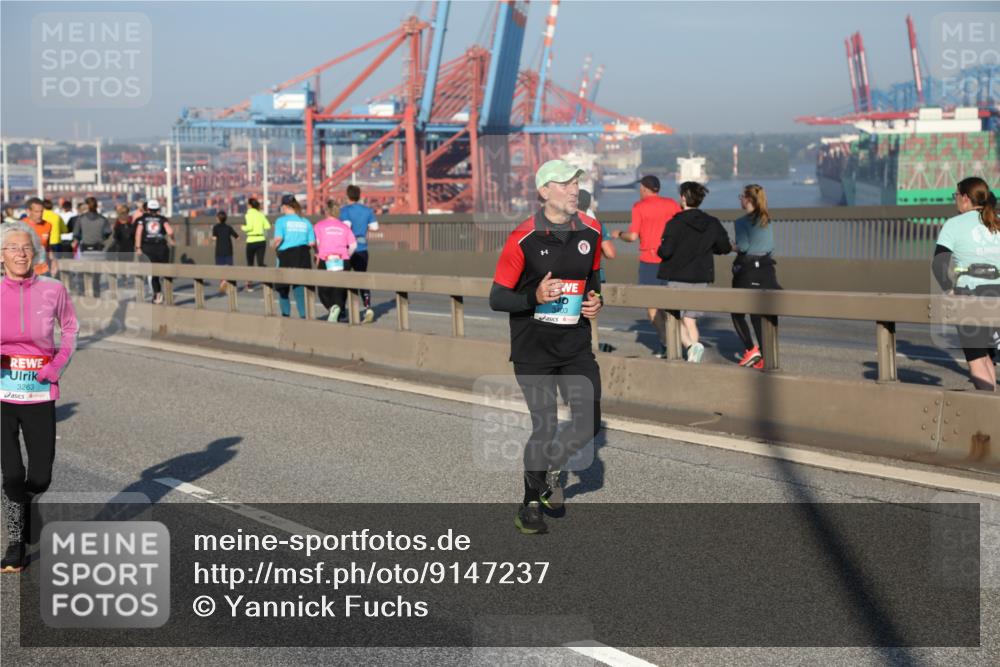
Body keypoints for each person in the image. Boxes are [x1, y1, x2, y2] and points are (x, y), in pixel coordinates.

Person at [490, 159, 603, 536]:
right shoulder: (522, 238)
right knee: (546, 425)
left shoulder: (592, 230)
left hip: (575, 343)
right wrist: (534, 296)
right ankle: (529, 506)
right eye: (566, 184)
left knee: (587, 422)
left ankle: (548, 472)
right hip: (533, 347)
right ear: (544, 192)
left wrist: (595, 300)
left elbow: (595, 279)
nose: (575, 190)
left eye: (576, 183)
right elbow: (497, 298)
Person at [1, 221, 79, 572]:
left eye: (26, 248)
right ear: (2, 255)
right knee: (12, 475)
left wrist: (57, 365)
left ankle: (30, 504)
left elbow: (71, 329)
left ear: (34, 253)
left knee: (40, 476)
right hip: (2, 395)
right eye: (13, 248)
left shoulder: (53, 289)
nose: (20, 253)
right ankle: (16, 543)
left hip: (39, 393)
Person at [932, 176, 1000, 391]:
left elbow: (939, 264)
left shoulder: (954, 224)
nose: (955, 200)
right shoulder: (996, 220)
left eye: (956, 196)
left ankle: (989, 412)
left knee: (977, 357)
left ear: (964, 198)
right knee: (988, 355)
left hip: (971, 295)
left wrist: (948, 289)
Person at [656, 181, 732, 363]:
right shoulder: (712, 223)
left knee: (671, 315)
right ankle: (693, 357)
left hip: (677, 275)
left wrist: (659, 250)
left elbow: (666, 251)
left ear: (683, 198)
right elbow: (724, 247)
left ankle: (691, 346)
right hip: (701, 275)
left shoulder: (674, 223)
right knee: (690, 319)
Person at [611, 175, 681, 356]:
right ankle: (676, 342)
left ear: (644, 189)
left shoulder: (639, 207)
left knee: (652, 308)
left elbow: (633, 236)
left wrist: (619, 234)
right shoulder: (672, 204)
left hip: (649, 261)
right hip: (671, 261)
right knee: (671, 305)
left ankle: (666, 344)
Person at [731, 184, 781, 369]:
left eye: (741, 197)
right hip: (767, 269)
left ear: (748, 200)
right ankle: (766, 355)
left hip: (748, 270)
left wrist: (731, 247)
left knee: (737, 311)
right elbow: (770, 247)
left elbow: (743, 247)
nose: (740, 200)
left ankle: (751, 350)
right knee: (761, 313)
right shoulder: (767, 219)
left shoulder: (741, 222)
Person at [339, 185, 380, 323]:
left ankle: (343, 311)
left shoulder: (345, 210)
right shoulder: (367, 210)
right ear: (359, 195)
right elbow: (375, 227)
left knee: (344, 280)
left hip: (348, 249)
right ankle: (368, 307)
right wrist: (363, 227)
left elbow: (347, 226)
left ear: (347, 196)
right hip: (362, 248)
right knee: (362, 278)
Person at [272, 194, 316, 318]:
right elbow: (312, 242)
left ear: (285, 206)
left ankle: (286, 316)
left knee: (283, 289)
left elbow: (278, 239)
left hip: (286, 256)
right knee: (300, 289)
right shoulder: (305, 221)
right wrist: (317, 253)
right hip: (303, 256)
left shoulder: (281, 221)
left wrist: (273, 247)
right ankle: (303, 317)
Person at [314, 199, 357, 322]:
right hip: (342, 259)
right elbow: (353, 245)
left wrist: (317, 254)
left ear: (326, 211)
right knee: (340, 288)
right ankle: (340, 311)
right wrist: (346, 255)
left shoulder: (319, 226)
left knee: (323, 289)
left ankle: (332, 308)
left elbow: (316, 243)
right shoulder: (344, 227)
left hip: (325, 259)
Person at [134, 199, 174, 304]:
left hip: (148, 248)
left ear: (147, 208)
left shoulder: (142, 219)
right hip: (161, 247)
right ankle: (169, 294)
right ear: (158, 209)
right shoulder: (162, 219)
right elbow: (170, 231)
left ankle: (157, 294)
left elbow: (138, 233)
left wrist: (138, 248)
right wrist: (171, 238)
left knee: (154, 272)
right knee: (166, 271)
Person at [72, 196, 112, 297]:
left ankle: (83, 296)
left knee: (83, 276)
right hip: (99, 252)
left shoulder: (81, 219)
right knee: (96, 279)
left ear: (86, 205)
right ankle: (96, 296)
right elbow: (108, 232)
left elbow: (76, 234)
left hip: (86, 252)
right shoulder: (103, 219)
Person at [242, 198, 270, 291]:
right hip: (261, 240)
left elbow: (249, 227)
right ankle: (266, 281)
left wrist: (243, 227)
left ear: (250, 205)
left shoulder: (248, 214)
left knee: (250, 263)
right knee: (261, 262)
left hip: (251, 240)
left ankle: (249, 285)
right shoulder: (261, 214)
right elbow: (268, 226)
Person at [22, 198, 53, 276]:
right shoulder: (21, 225)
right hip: (25, 270)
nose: (40, 214)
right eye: (36, 211)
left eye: (41, 211)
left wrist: (53, 261)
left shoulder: (48, 225)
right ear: (28, 211)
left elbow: (48, 246)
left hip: (42, 270)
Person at [212, 211, 239, 292]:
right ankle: (228, 283)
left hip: (219, 251)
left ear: (217, 218)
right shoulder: (229, 227)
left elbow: (214, 238)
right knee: (229, 267)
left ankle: (223, 282)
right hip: (228, 250)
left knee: (220, 268)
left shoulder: (215, 227)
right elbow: (237, 237)